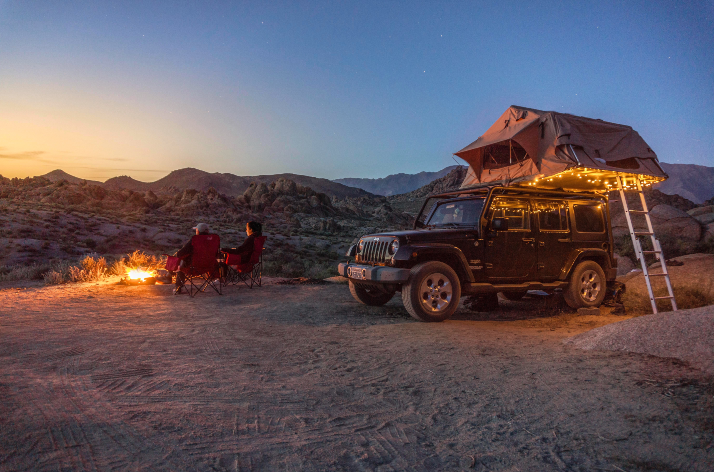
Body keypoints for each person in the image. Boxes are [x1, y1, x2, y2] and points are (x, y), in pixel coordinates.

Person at [173, 222, 212, 294]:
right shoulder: (213, 240)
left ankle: (178, 287)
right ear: (208, 231)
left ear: (198, 231)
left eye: (196, 230)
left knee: (180, 264)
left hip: (194, 266)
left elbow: (180, 253)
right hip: (210, 266)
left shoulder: (195, 240)